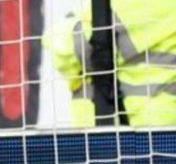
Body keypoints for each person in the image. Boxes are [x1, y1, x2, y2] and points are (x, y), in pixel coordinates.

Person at [44, 0, 176, 127]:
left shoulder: (148, 4)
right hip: (148, 126)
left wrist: (72, 22)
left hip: (132, 130)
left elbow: (68, 51)